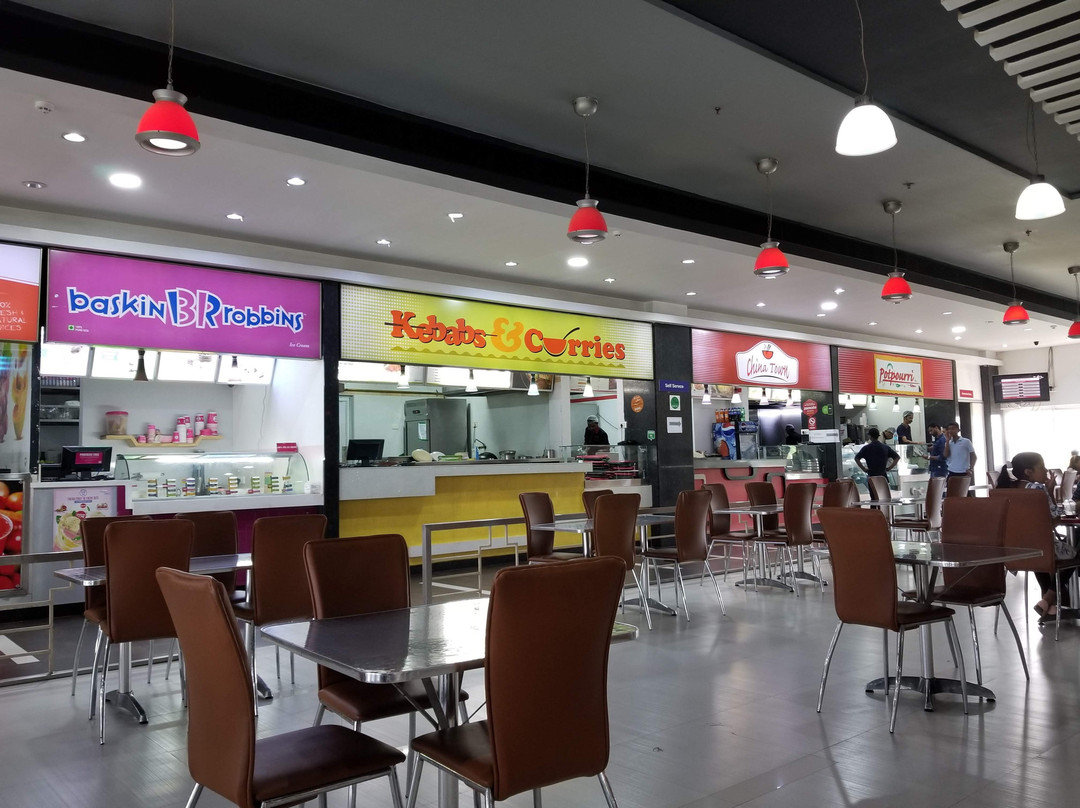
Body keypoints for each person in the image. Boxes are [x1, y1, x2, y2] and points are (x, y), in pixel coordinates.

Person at [996, 452, 1074, 620]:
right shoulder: (1037, 489)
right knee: (1073, 550)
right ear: (1028, 472)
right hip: (1041, 550)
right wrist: (1050, 492)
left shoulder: (1006, 490)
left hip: (1016, 552)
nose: (1046, 470)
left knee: (1041, 546)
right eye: (1042, 467)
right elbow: (1055, 521)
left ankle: (1050, 608)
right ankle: (1049, 597)